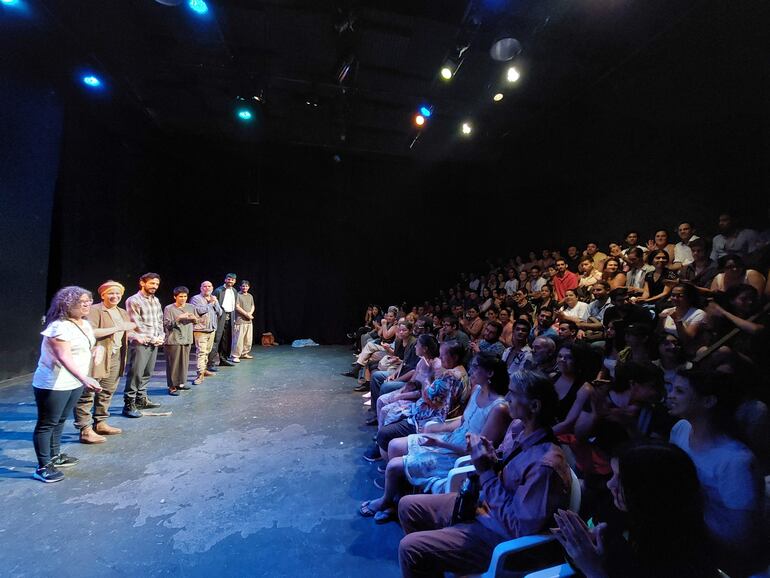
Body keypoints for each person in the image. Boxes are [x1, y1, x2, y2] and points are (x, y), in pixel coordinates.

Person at [397, 370, 571, 578]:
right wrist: (490, 457)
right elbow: (503, 467)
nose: (507, 399)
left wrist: (486, 472)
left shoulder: (545, 466)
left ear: (534, 406)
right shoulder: (517, 428)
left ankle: (438, 555)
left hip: (497, 535)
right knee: (408, 506)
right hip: (482, 507)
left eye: (513, 394)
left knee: (411, 548)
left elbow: (519, 528)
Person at [360, 354, 511, 522]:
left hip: (460, 456)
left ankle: (386, 502)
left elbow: (478, 452)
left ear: (490, 373)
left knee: (394, 465)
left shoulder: (500, 408)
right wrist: (436, 429)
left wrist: (439, 441)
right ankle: (397, 498)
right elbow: (461, 422)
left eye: (476, 367)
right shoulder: (477, 390)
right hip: (451, 438)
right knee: (394, 445)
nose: (471, 370)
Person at [553, 442, 720, 578]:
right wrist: (584, 549)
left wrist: (593, 570)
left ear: (649, 492)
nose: (610, 484)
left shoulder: (684, 560)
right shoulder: (624, 518)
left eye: (621, 480)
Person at [668, 370, 764, 576]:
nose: (670, 395)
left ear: (709, 401)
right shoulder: (681, 429)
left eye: (680, 391)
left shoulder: (735, 461)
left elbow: (741, 536)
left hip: (723, 558)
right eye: (672, 388)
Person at [32, 287, 102, 482]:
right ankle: (43, 466)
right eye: (82, 302)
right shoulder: (58, 327)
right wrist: (85, 378)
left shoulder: (84, 324)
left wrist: (97, 350)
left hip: (74, 381)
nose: (87, 304)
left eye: (88, 300)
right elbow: (64, 356)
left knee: (61, 419)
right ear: (67, 304)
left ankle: (55, 456)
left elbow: (85, 345)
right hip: (53, 383)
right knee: (47, 424)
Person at [75, 281, 136, 444]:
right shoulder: (95, 310)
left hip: (116, 355)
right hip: (98, 356)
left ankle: (100, 422)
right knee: (88, 392)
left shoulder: (122, 312)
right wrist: (118, 328)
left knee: (107, 390)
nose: (114, 296)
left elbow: (125, 331)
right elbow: (92, 332)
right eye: (110, 293)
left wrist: (137, 334)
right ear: (103, 295)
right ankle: (85, 429)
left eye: (117, 293)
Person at [122, 272, 164, 418]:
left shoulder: (156, 300)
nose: (155, 286)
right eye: (152, 283)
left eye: (157, 284)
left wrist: (161, 336)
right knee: (136, 373)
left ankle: (141, 399)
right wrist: (153, 339)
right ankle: (129, 404)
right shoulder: (134, 300)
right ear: (142, 283)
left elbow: (159, 320)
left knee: (147, 372)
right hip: (140, 342)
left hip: (154, 341)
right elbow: (137, 324)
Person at [163, 286, 206, 395]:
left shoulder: (190, 307)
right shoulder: (169, 308)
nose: (183, 298)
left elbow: (196, 321)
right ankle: (172, 385)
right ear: (175, 297)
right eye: (180, 296)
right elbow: (167, 325)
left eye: (185, 296)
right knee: (173, 364)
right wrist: (179, 317)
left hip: (186, 338)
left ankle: (180, 383)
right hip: (174, 339)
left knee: (183, 363)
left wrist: (194, 319)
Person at [189, 281, 222, 386]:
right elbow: (199, 311)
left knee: (207, 352)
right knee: (201, 352)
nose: (207, 288)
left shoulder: (213, 298)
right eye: (204, 286)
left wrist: (215, 303)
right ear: (201, 288)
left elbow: (220, 312)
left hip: (211, 329)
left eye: (209, 286)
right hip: (200, 330)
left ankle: (204, 370)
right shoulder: (196, 299)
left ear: (212, 288)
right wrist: (210, 304)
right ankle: (199, 374)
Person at [211, 273, 238, 367]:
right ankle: (211, 362)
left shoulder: (234, 291)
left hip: (230, 317)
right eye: (229, 279)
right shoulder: (218, 290)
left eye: (232, 280)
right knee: (217, 339)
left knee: (226, 339)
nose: (230, 281)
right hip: (220, 317)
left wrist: (234, 319)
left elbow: (233, 305)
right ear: (225, 280)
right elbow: (213, 305)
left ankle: (223, 359)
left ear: (235, 281)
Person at [230, 279, 255, 363]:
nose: (245, 287)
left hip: (248, 321)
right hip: (240, 321)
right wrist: (246, 314)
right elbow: (237, 307)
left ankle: (244, 353)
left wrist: (250, 313)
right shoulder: (237, 295)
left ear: (249, 287)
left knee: (248, 339)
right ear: (240, 287)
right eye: (243, 286)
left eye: (246, 286)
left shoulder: (250, 296)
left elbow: (252, 306)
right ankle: (235, 355)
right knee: (238, 339)